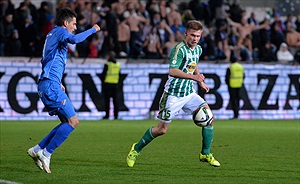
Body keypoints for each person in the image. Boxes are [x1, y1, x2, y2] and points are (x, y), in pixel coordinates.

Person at [126, 20, 221, 168]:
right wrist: (194, 78)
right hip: (173, 95)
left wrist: (200, 81)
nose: (195, 39)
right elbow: (172, 71)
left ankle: (205, 153)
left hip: (189, 93)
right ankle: (136, 149)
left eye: (198, 36)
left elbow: (193, 64)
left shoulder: (198, 49)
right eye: (192, 35)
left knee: (210, 118)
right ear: (186, 33)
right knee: (161, 130)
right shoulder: (179, 49)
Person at [27, 8, 101, 173]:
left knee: (66, 123)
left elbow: (46, 60)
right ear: (65, 23)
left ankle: (37, 149)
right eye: (74, 24)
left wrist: (56, 80)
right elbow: (74, 40)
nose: (75, 27)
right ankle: (46, 153)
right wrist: (93, 29)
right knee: (74, 122)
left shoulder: (52, 35)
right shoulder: (60, 32)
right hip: (50, 84)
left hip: (48, 84)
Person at [101, 51, 121, 120]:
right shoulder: (118, 64)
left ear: (109, 56)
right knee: (115, 101)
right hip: (115, 84)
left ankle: (107, 115)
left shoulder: (108, 64)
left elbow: (103, 75)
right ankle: (116, 116)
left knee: (107, 101)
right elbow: (120, 75)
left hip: (108, 84)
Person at [225, 52, 245, 119]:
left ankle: (235, 114)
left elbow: (227, 77)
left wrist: (228, 83)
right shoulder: (240, 67)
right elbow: (243, 76)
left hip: (232, 85)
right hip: (239, 85)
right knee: (238, 99)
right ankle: (237, 113)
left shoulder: (230, 67)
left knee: (233, 100)